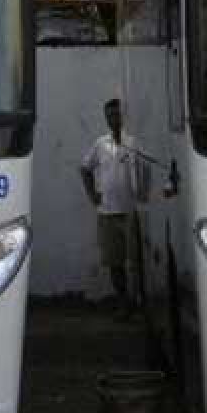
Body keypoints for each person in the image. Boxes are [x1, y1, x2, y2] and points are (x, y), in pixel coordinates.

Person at [80, 99, 143, 319]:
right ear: (105, 118)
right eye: (109, 115)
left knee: (134, 262)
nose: (113, 119)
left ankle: (135, 304)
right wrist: (92, 195)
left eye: (116, 115)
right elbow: (84, 168)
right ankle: (123, 303)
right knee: (114, 263)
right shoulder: (100, 144)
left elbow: (142, 171)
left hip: (129, 212)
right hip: (107, 212)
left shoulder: (132, 143)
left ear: (122, 117)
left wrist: (142, 195)